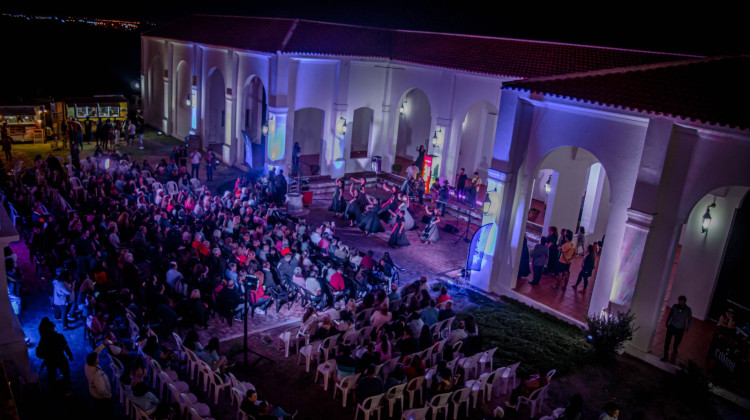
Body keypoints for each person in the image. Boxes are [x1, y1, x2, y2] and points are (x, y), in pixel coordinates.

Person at [36, 318, 73, 392]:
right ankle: (67, 388)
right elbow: (65, 346)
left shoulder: (44, 340)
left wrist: (46, 356)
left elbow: (38, 353)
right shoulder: (59, 337)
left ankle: (54, 389)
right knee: (66, 373)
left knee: (51, 375)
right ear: (51, 328)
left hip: (50, 360)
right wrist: (69, 354)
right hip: (60, 358)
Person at [661, 295, 692, 362]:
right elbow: (670, 314)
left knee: (677, 342)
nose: (680, 303)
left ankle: (675, 348)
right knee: (667, 341)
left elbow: (690, 320)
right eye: (679, 301)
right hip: (672, 326)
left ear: (684, 302)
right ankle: (665, 356)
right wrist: (667, 321)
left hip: (680, 329)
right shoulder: (674, 306)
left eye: (681, 302)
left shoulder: (688, 310)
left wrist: (687, 328)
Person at [85, 351, 113, 417]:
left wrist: (103, 345)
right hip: (101, 398)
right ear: (94, 361)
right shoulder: (97, 375)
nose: (98, 358)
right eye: (97, 358)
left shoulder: (87, 365)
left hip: (92, 392)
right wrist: (108, 394)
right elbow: (102, 390)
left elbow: (95, 351)